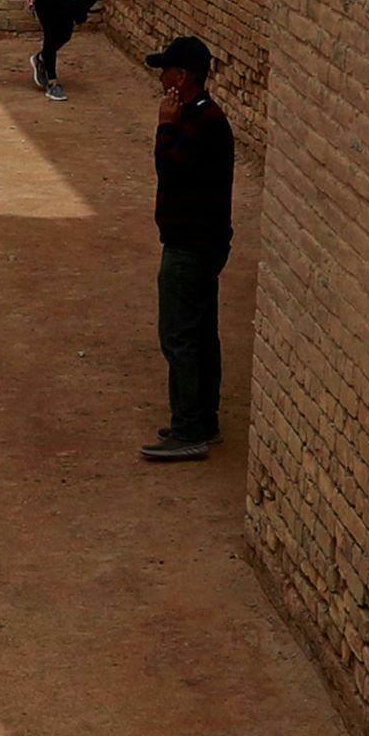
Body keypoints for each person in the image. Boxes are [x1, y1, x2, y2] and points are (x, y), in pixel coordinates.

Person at [148, 35, 235, 462]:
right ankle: (203, 419)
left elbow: (170, 168)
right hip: (203, 242)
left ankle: (188, 429)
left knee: (180, 334)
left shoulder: (201, 123)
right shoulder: (203, 116)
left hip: (190, 246)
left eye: (165, 70)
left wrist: (165, 125)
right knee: (200, 332)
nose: (161, 77)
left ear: (181, 78)